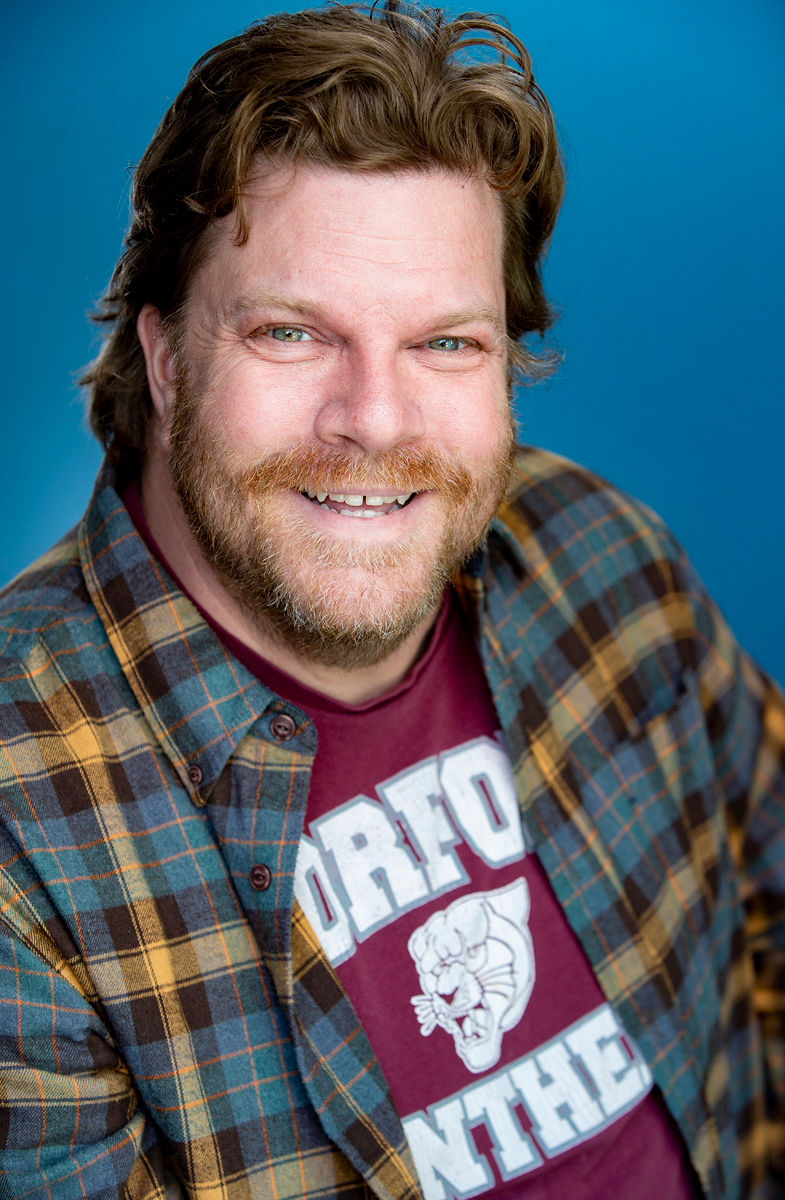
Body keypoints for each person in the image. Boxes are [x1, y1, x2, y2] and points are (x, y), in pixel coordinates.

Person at [0, 3, 783, 1197]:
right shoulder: (22, 817)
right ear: (164, 360)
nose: (373, 418)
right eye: (290, 333)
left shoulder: (598, 553)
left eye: (445, 344)